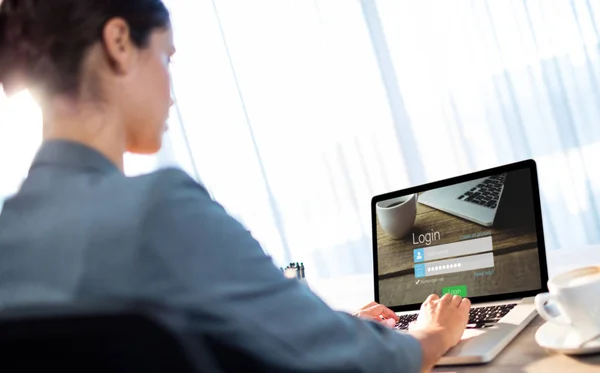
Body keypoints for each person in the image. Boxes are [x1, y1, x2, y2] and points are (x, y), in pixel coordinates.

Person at [0, 1, 470, 372]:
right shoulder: (158, 210)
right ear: (120, 42)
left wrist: (327, 332)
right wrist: (430, 336)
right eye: (166, 57)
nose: (171, 91)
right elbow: (369, 364)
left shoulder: (10, 233)